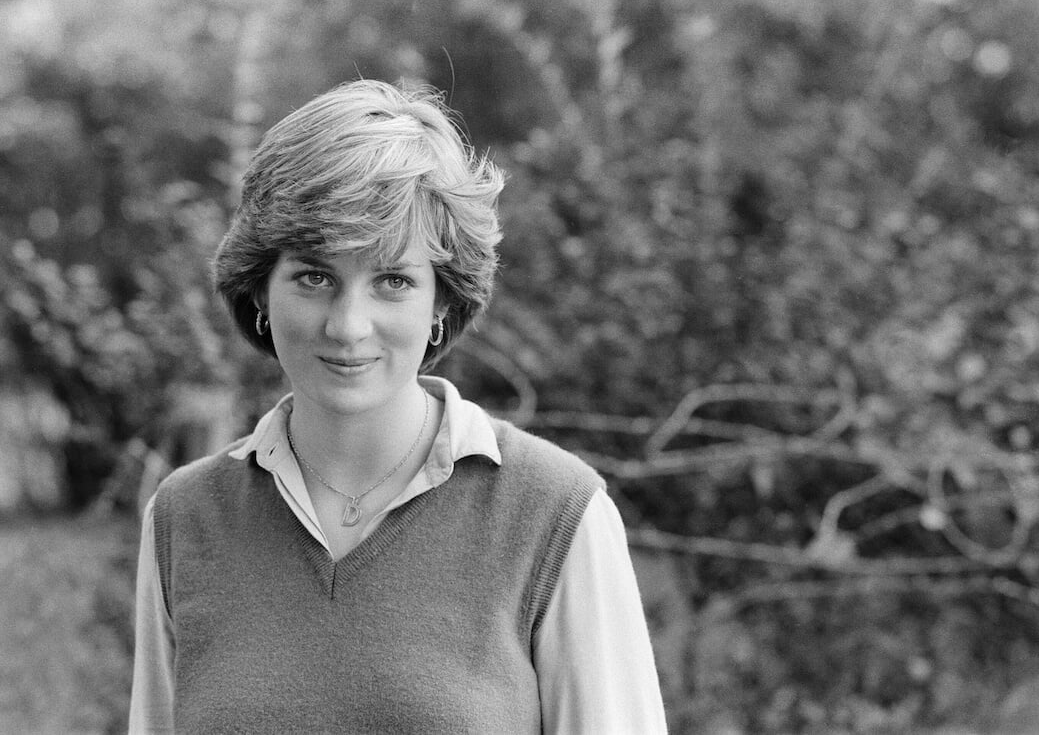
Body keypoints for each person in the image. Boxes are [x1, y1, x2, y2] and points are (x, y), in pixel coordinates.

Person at [129, 79, 667, 733]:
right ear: (260, 291)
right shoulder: (183, 520)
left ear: (441, 302)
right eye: (315, 276)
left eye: (392, 280)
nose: (349, 325)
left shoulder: (556, 515)